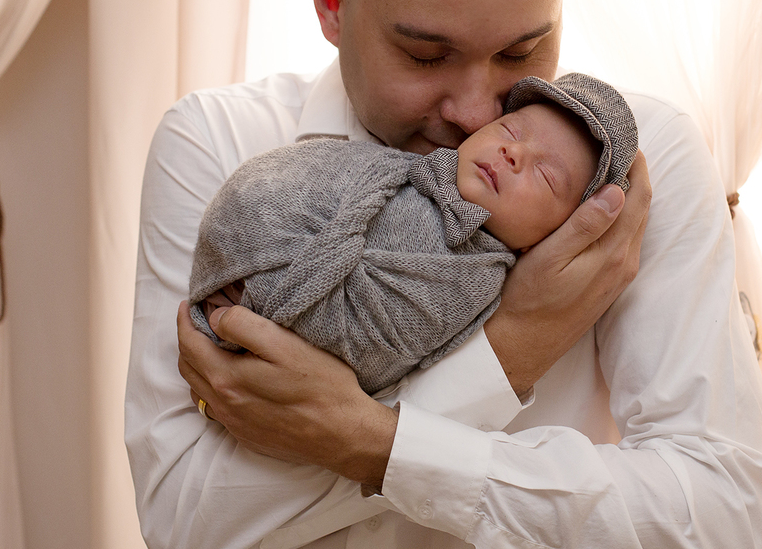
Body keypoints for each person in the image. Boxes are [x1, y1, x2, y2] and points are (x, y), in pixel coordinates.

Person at [127, 0, 762, 549]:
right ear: (330, 4)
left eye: (521, 51)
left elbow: (727, 518)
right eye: (427, 56)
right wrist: (510, 350)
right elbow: (184, 525)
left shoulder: (636, 164)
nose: (478, 113)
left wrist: (373, 441)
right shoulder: (215, 145)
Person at [188, 73, 639, 394]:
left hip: (262, 305)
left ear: (553, 238)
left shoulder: (473, 277)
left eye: (545, 175)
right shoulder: (398, 165)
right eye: (510, 129)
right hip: (239, 260)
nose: (513, 152)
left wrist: (266, 301)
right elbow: (300, 176)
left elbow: (376, 348)